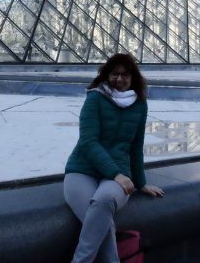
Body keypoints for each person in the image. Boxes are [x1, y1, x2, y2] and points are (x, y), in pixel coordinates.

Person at [64, 54, 164, 263]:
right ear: (107, 75)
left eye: (125, 74)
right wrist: (116, 174)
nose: (119, 78)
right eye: (115, 74)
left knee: (104, 200)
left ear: (133, 77)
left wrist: (140, 182)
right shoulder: (95, 98)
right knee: (103, 223)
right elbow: (88, 142)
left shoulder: (140, 105)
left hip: (117, 174)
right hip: (82, 170)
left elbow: (136, 147)